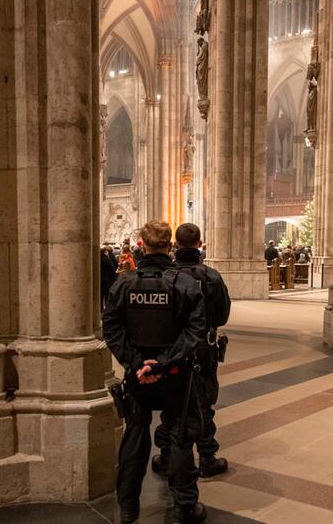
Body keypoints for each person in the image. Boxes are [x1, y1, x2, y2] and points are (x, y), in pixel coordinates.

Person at [103, 220, 208, 524]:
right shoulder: (185, 285)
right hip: (176, 374)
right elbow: (196, 330)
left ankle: (127, 507)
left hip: (138, 377)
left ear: (143, 244)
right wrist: (164, 362)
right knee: (179, 436)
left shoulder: (124, 283)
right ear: (169, 245)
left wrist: (135, 363)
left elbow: (111, 327)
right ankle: (185, 506)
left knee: (135, 434)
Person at [152, 223, 231, 480]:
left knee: (170, 399)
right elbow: (222, 315)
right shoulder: (211, 276)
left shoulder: (164, 275)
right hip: (202, 348)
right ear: (199, 243)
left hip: (171, 349)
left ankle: (165, 455)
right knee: (204, 400)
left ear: (176, 243)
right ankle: (207, 457)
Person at [100, 244, 118, 308]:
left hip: (99, 279)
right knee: (107, 295)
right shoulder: (107, 259)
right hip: (107, 280)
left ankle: (100, 309)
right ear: (105, 252)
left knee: (100, 295)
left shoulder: (97, 259)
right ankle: (107, 308)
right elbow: (113, 269)